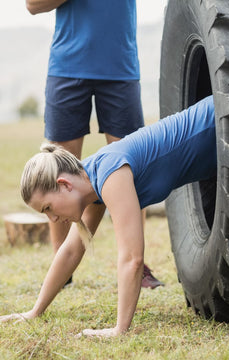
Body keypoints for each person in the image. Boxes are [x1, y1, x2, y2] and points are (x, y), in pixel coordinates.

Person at [0, 95, 216, 338]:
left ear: (64, 184)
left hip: (220, 120)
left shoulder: (110, 174)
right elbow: (71, 251)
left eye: (48, 208)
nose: (52, 219)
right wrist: (34, 311)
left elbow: (133, 258)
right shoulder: (91, 185)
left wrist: (119, 330)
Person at [25, 0, 162, 288]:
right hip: (67, 66)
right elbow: (32, 5)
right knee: (57, 173)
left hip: (121, 67)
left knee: (133, 168)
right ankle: (62, 273)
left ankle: (138, 267)